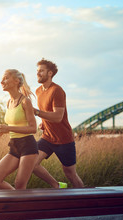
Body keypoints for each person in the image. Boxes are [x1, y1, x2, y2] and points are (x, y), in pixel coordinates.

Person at [32, 58, 84, 188]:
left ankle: (85, 200)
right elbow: (47, 112)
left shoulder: (57, 91)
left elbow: (58, 117)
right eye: (37, 71)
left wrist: (37, 112)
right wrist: (43, 123)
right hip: (47, 137)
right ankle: (57, 185)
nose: (38, 73)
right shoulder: (38, 91)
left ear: (50, 73)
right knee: (31, 164)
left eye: (41, 71)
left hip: (63, 139)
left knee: (70, 174)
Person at [0, 69, 38, 190]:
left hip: (28, 146)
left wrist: (8, 128)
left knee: (20, 185)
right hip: (14, 146)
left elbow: (33, 128)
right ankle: (18, 203)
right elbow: (13, 125)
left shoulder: (25, 101)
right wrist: (1, 131)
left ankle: (22, 206)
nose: (2, 81)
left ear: (16, 81)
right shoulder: (8, 103)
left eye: (5, 78)